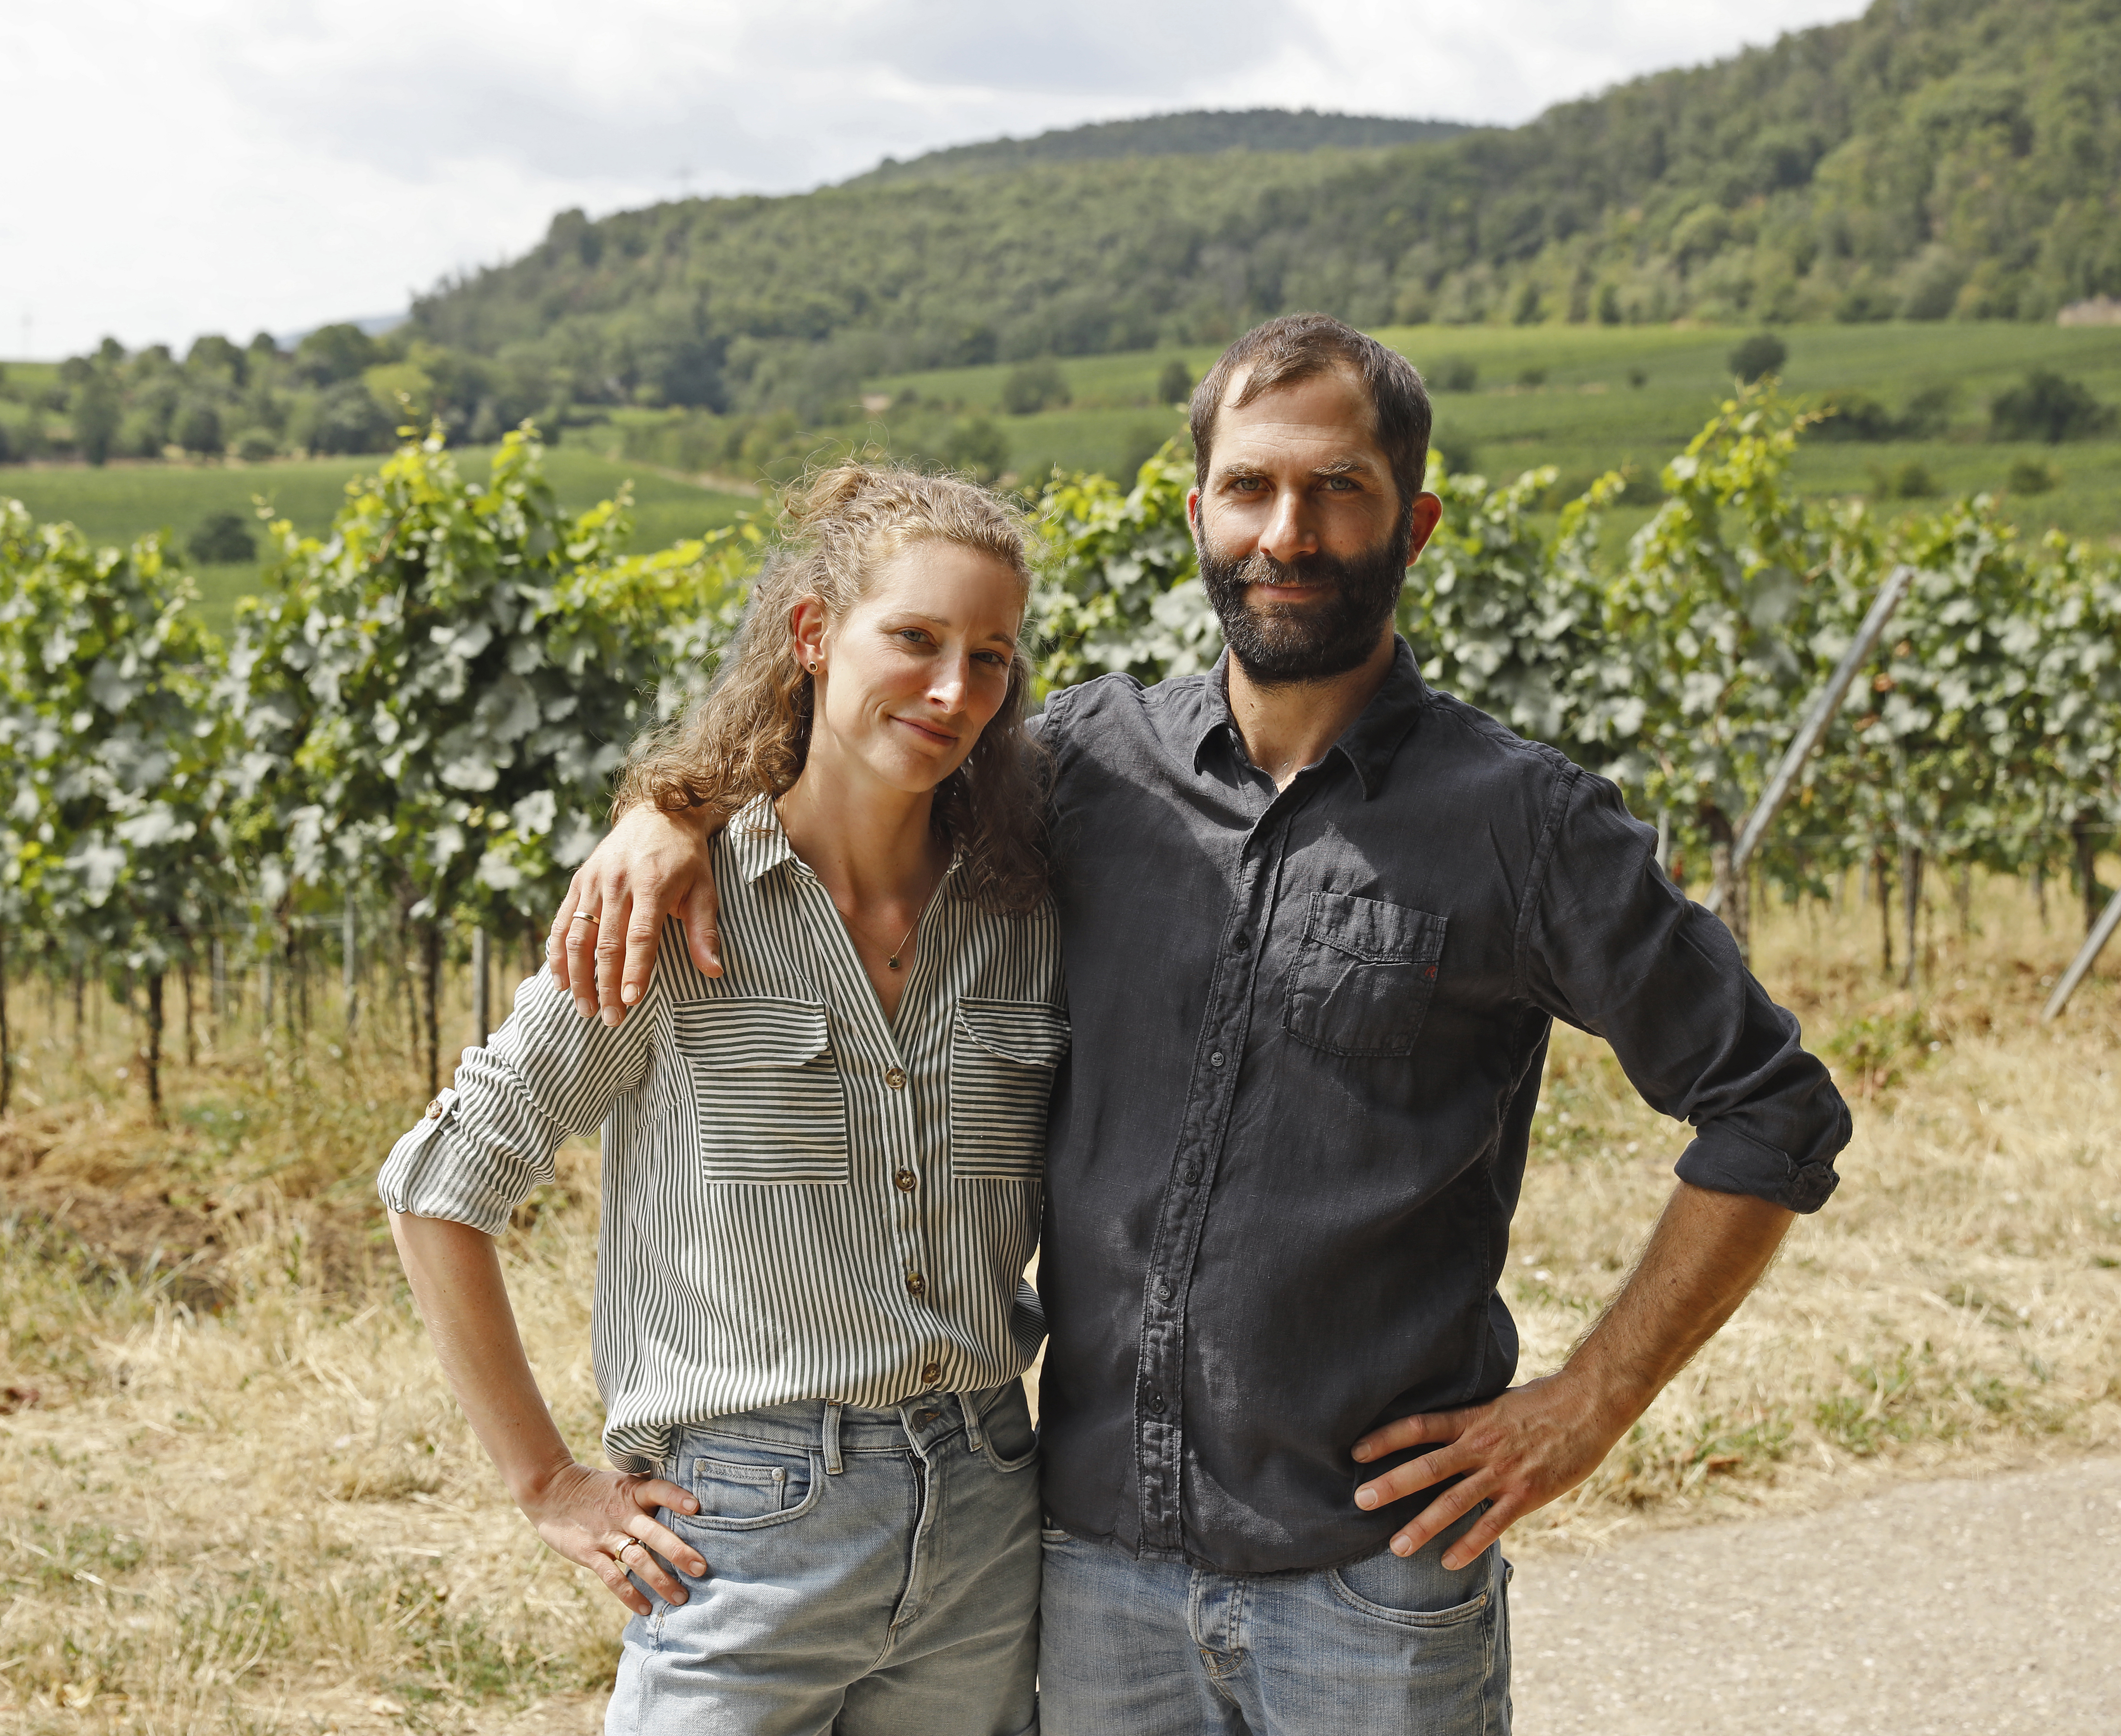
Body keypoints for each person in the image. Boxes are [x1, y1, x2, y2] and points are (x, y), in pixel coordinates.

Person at [549, 313, 1853, 1733]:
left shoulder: (1523, 827)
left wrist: (1590, 1402)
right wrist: (670, 811)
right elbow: (861, 753)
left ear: (1412, 524)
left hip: (1374, 1589)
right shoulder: (1087, 771)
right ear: (1199, 513)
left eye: (1337, 489)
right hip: (1089, 1579)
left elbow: (1772, 1108)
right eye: (1250, 487)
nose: (1286, 530)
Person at [382, 464, 1060, 1736]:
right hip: (744, 1535)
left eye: (991, 656)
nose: (954, 688)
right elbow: (439, 1186)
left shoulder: (1029, 912)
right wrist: (546, 1485)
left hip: (985, 1510)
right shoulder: (676, 907)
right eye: (914, 638)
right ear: (813, 636)